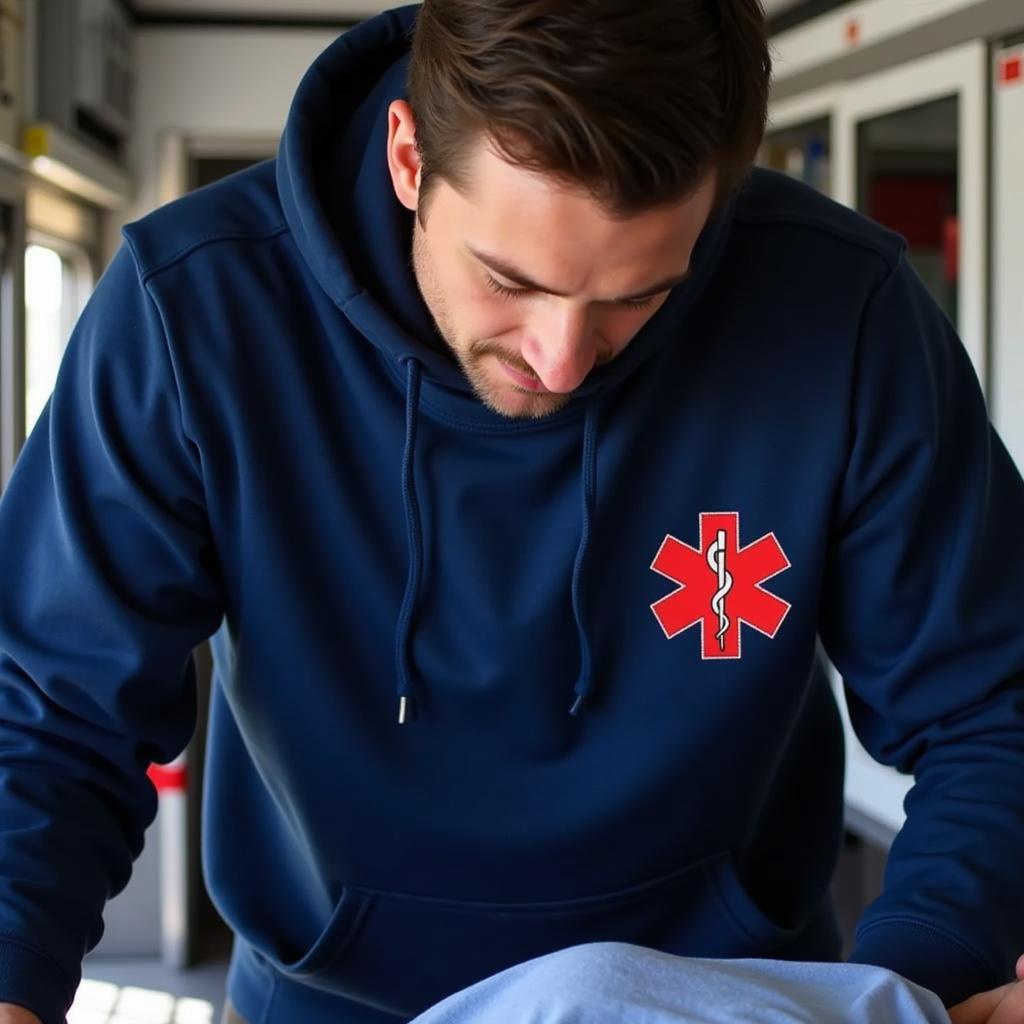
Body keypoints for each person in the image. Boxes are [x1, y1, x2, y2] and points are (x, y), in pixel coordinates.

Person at [0, 1, 1022, 1022]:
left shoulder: (842, 311)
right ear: (409, 160)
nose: (561, 360)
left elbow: (991, 705)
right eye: (508, 279)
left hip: (724, 1004)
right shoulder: (189, 312)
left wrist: (919, 977)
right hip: (329, 1005)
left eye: (638, 294)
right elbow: (50, 719)